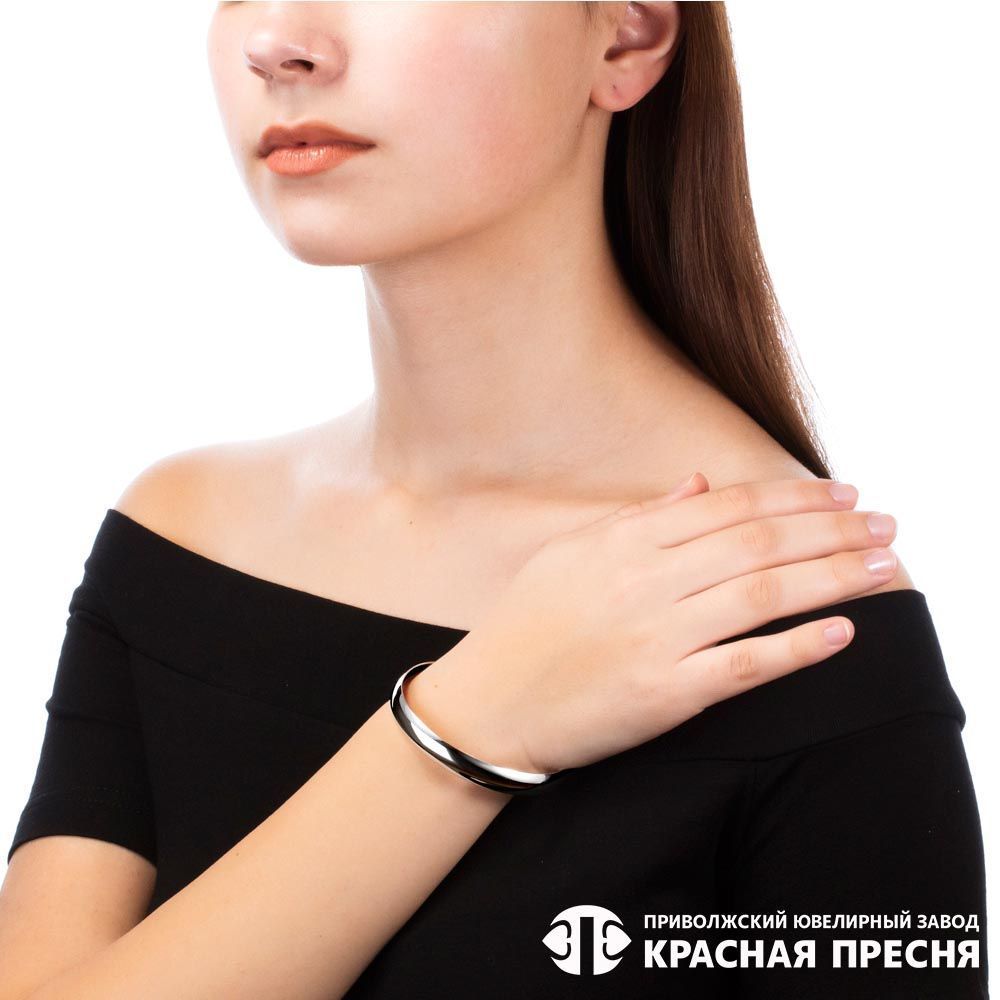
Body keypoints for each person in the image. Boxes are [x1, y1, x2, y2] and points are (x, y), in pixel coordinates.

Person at [0, 3, 987, 998]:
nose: (279, 42)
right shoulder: (181, 538)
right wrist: (472, 720)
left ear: (627, 38)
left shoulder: (792, 618)